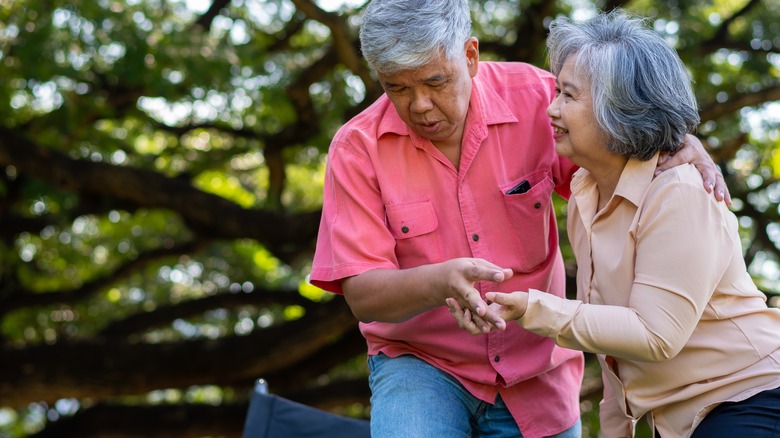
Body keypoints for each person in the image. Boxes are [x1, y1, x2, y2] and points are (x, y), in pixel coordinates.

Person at [310, 1, 729, 436]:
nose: (419, 105)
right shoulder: (356, 148)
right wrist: (439, 282)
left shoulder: (538, 99)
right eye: (395, 88)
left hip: (538, 369)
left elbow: (614, 166)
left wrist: (674, 145)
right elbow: (362, 293)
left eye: (436, 81)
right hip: (420, 364)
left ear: (470, 56)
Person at [447, 10, 780, 438]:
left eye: (569, 96)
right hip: (686, 419)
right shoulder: (586, 193)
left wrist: (532, 307)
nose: (551, 110)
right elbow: (612, 344)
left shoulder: (677, 191)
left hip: (752, 398)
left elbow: (654, 335)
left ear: (619, 110)